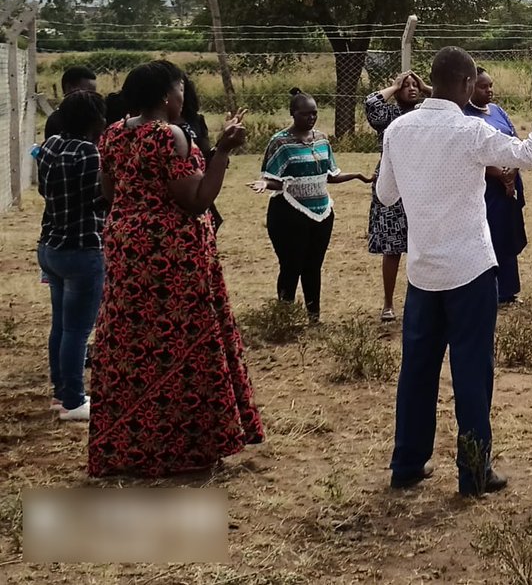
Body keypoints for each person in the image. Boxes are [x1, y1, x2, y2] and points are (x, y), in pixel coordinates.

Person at [377, 46, 532, 497]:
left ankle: (407, 462)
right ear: (466, 85)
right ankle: (474, 472)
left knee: (417, 370)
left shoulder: (398, 129)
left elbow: (386, 195)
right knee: (471, 372)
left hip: (423, 272)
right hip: (470, 270)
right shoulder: (471, 131)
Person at [90, 60, 262, 477]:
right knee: (182, 345)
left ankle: (126, 444)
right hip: (172, 258)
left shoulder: (112, 134)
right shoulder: (171, 136)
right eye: (180, 89)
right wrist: (222, 151)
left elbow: (110, 191)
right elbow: (197, 199)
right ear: (167, 97)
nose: (183, 96)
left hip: (126, 249)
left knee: (131, 344)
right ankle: (185, 449)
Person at [253, 88, 372, 323]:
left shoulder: (321, 139)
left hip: (322, 213)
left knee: (313, 266)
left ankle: (314, 317)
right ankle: (284, 318)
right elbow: (273, 178)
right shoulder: (280, 143)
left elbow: (330, 175)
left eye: (314, 114)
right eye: (305, 114)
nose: (311, 118)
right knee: (291, 266)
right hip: (289, 213)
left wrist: (358, 175)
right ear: (293, 114)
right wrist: (263, 184)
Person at [37, 90, 108, 422]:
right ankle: (73, 400)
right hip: (82, 250)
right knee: (78, 331)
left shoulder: (50, 145)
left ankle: (60, 392)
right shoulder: (90, 153)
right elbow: (99, 200)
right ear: (94, 120)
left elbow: (43, 189)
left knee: (61, 325)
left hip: (50, 246)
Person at [366, 72, 431, 322]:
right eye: (407, 86)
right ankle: (388, 303)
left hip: (421, 184)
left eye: (415, 85)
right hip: (392, 185)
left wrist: (426, 88)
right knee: (392, 248)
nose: (412, 89)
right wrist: (393, 87)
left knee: (423, 246)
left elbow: (453, 100)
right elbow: (371, 104)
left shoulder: (427, 112)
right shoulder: (388, 116)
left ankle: (422, 301)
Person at [463, 67, 528, 305]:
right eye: (483, 86)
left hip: (509, 187)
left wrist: (512, 171)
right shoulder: (465, 116)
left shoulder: (498, 111)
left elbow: (514, 141)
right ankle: (491, 291)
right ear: (469, 87)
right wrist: (499, 174)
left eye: (490, 85)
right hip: (486, 189)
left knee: (509, 237)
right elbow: (470, 154)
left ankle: (509, 291)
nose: (489, 90)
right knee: (490, 238)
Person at [181, 76, 222, 232]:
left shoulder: (195, 120)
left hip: (198, 182)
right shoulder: (161, 128)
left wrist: (221, 146)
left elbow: (206, 155)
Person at [43, 65, 98, 140]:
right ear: (69, 88)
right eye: (87, 92)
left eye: (94, 93)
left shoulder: (94, 116)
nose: (92, 97)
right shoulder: (56, 121)